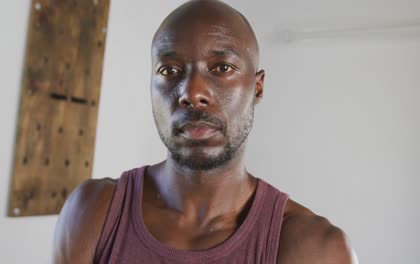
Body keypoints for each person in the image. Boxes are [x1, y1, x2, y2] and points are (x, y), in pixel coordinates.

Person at [53, 1, 357, 263]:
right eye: (169, 70)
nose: (193, 92)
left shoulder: (315, 247)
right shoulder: (93, 212)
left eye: (222, 68)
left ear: (257, 88)